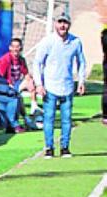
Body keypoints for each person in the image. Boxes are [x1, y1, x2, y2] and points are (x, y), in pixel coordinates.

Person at [35, 14, 87, 158]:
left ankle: (65, 147)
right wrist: (39, 84)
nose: (62, 26)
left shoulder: (75, 41)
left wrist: (81, 81)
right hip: (50, 86)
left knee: (66, 118)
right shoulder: (48, 41)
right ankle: (49, 147)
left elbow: (81, 62)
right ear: (55, 24)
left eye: (65, 23)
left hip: (67, 85)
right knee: (49, 118)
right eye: (60, 22)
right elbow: (37, 62)